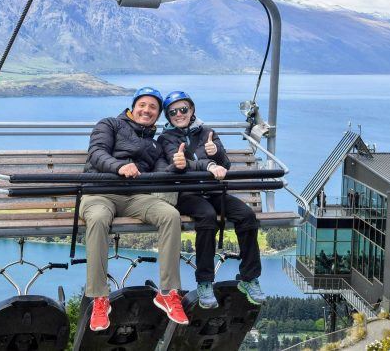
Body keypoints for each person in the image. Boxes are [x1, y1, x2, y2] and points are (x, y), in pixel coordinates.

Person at [81, 87, 189, 332]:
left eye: (153, 107)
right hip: (99, 192)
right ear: (133, 107)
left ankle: (168, 292)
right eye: (143, 105)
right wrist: (119, 166)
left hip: (135, 197)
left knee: (170, 215)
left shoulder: (155, 144)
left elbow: (161, 172)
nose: (147, 110)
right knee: (97, 219)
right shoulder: (109, 124)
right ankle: (99, 297)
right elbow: (96, 154)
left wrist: (178, 166)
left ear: (158, 114)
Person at [157, 91, 265, 309]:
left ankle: (249, 277)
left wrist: (215, 153)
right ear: (168, 117)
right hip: (186, 193)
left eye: (183, 109)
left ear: (192, 110)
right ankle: (205, 281)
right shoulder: (166, 139)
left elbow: (226, 164)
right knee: (206, 218)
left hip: (214, 190)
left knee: (246, 216)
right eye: (173, 112)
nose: (179, 114)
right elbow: (182, 164)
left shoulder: (208, 133)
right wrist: (206, 164)